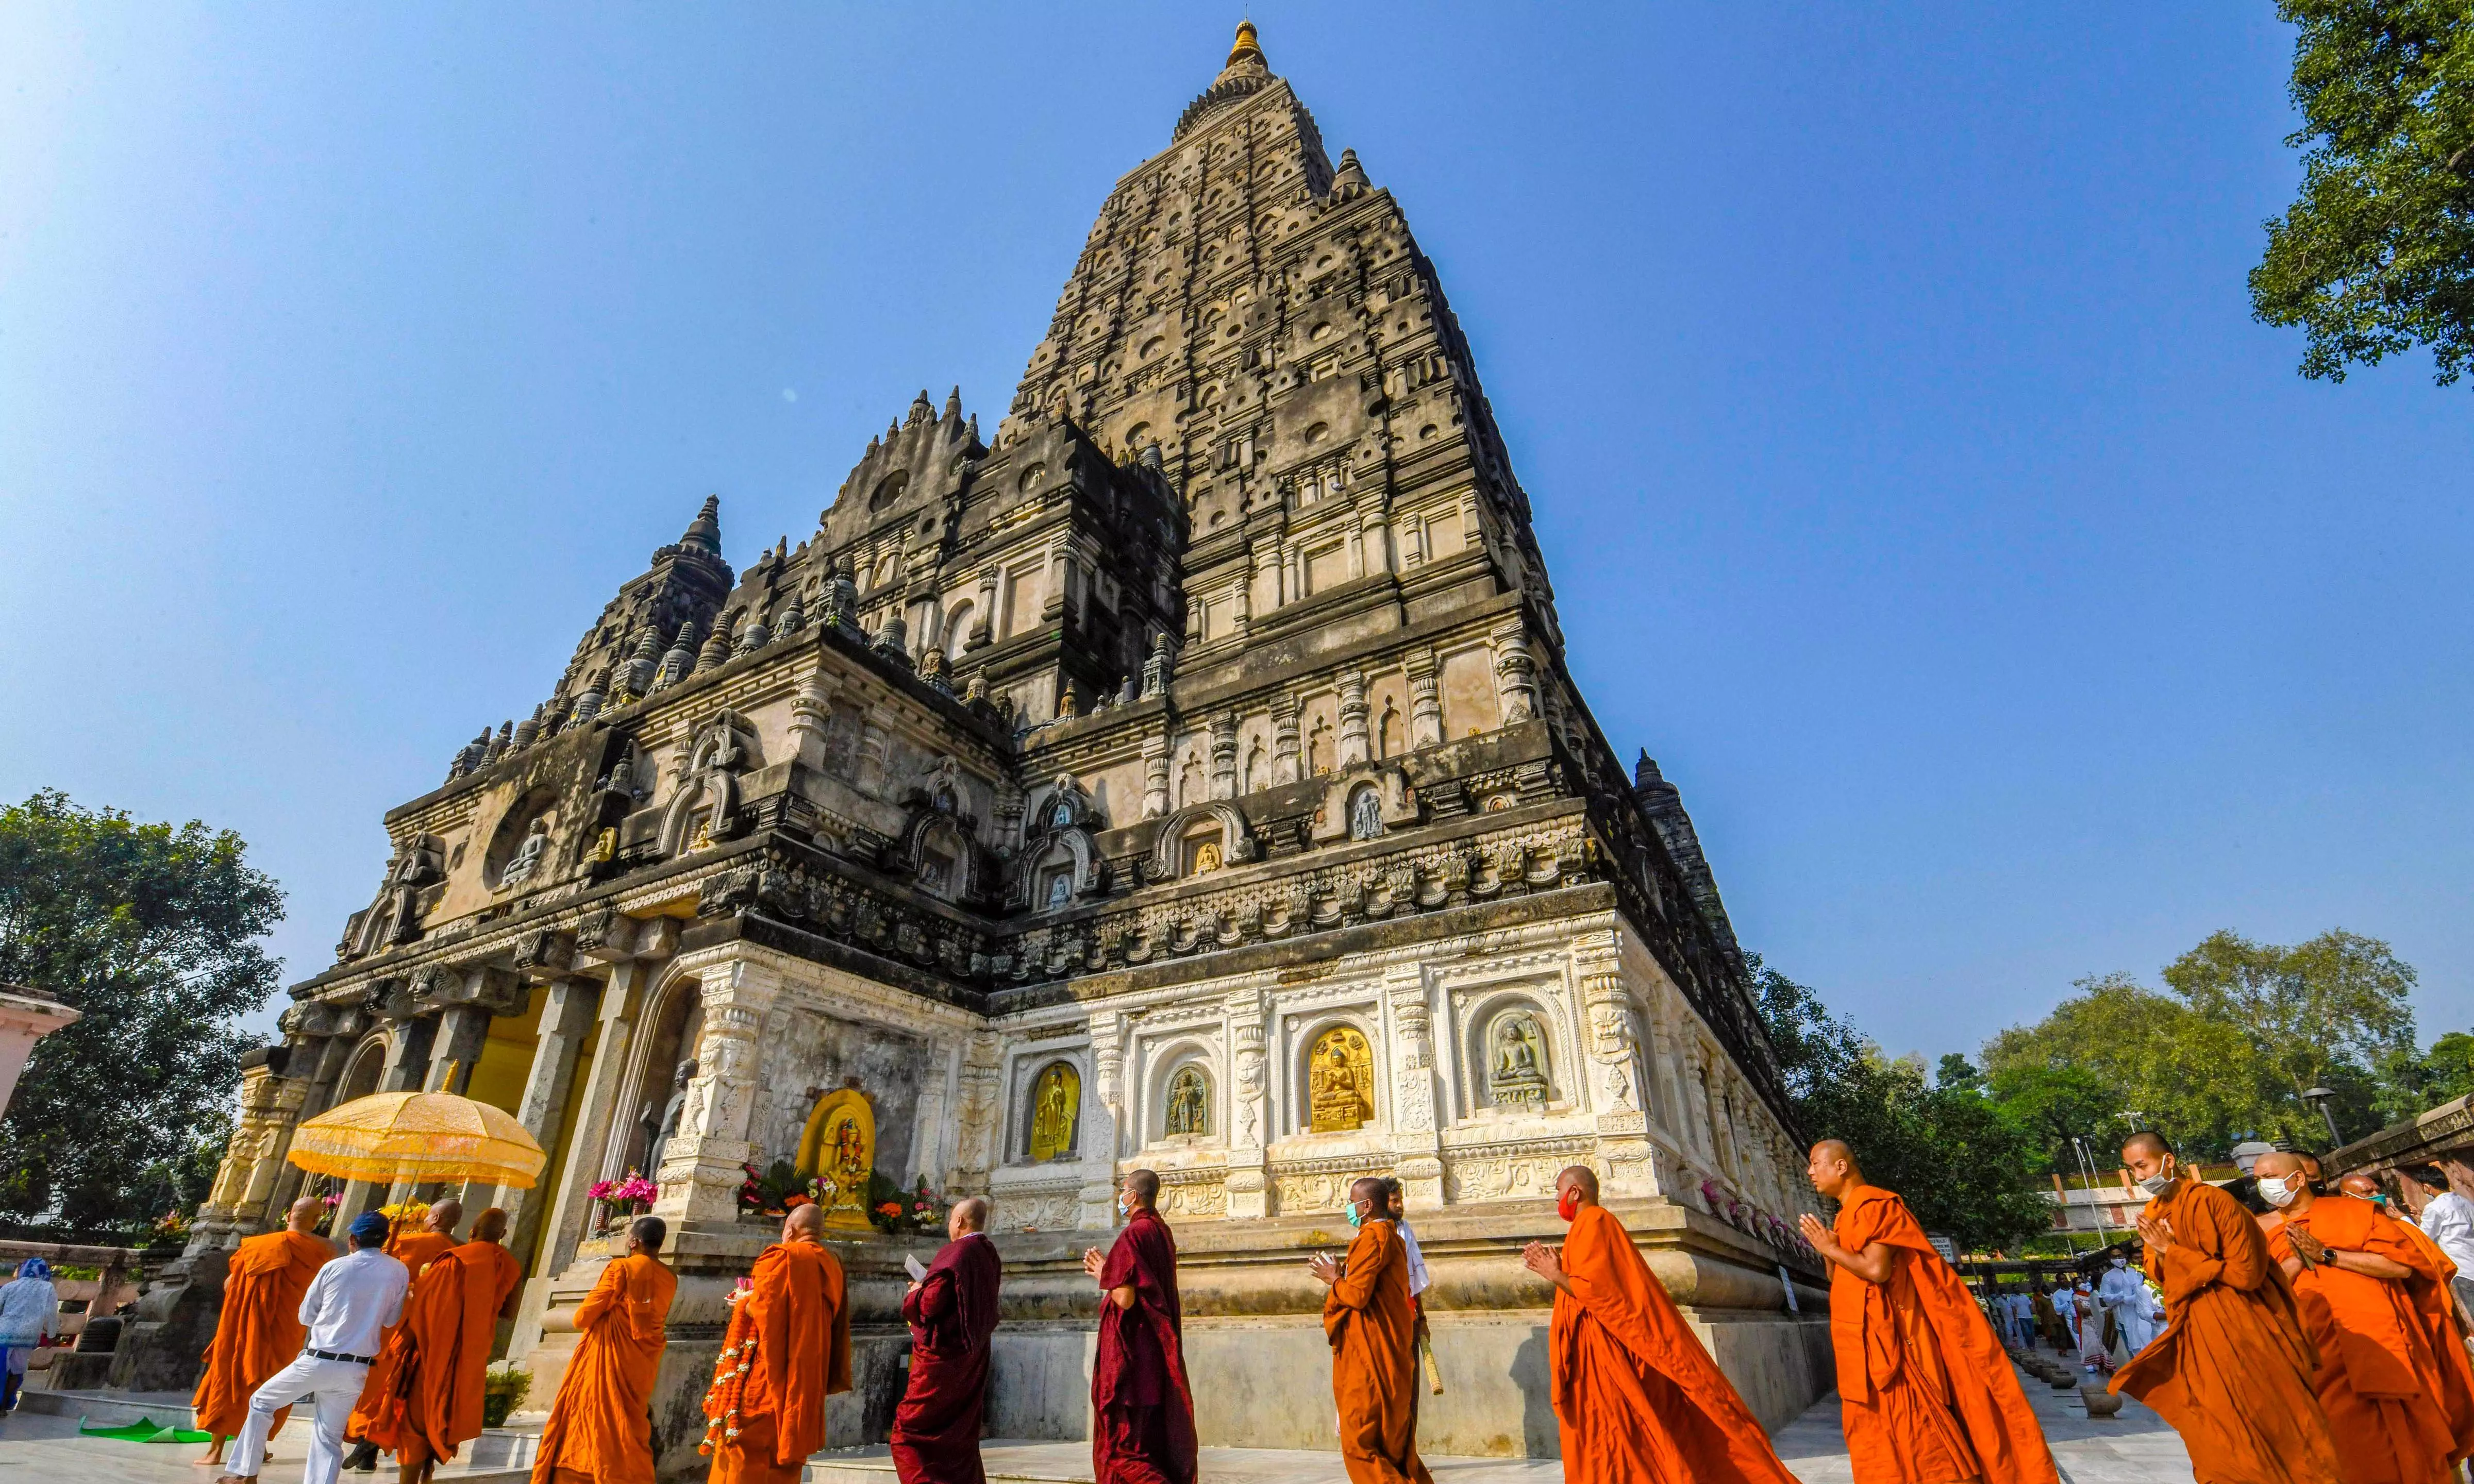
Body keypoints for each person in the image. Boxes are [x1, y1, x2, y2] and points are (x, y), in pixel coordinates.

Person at [1520, 1165, 1800, 1484]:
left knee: (1616, 1439)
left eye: (1558, 1191)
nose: (1556, 1199)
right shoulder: (1587, 1226)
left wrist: (1554, 1274)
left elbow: (1597, 1291)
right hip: (1595, 1351)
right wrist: (1558, 1270)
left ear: (1574, 1192)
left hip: (1605, 1353)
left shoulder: (1595, 1222)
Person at [1797, 1141, 2055, 1484]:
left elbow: (1876, 1271)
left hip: (1899, 1346)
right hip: (1862, 1344)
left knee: (1924, 1437)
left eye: (1816, 1163)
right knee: (1884, 1440)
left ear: (1841, 1167)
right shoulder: (1845, 1216)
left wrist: (1830, 1246)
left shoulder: (1876, 1205)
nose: (1810, 1172)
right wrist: (1829, 1252)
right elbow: (1843, 1278)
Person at [2106, 1132, 2340, 1479]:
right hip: (2200, 1336)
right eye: (2132, 1169)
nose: (2139, 1177)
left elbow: (2246, 1274)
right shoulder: (2155, 1213)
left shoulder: (2215, 1202)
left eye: (2143, 1166)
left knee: (2279, 1428)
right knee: (2217, 1433)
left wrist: (2172, 1250)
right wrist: (2158, 1251)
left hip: (2247, 1335)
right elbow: (2163, 1277)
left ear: (2168, 1161)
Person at [2254, 1151, 2474, 1484]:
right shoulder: (2259, 1230)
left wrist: (2327, 1255)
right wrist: (2298, 1262)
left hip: (2377, 1345)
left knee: (2402, 1442)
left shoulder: (2353, 1213)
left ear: (2298, 1179)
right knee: (2340, 1446)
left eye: (2269, 1177)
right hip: (2313, 1352)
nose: (2263, 1186)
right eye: (2258, 1180)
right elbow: (2260, 1290)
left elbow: (2401, 1266)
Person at [218, 1211, 412, 1484]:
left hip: (319, 1360)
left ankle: (244, 1475)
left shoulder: (335, 1267)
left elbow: (306, 1316)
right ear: (385, 1239)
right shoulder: (399, 1270)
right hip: (356, 1369)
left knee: (261, 1402)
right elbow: (392, 1320)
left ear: (353, 1239)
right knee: (329, 1436)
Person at [365, 1206, 523, 1484]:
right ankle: (426, 1474)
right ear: (504, 1235)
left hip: (432, 1352)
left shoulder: (450, 1261)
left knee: (418, 1419)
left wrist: (418, 1292)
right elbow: (509, 1313)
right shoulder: (510, 1265)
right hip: (470, 1355)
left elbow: (424, 1312)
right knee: (443, 1415)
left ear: (472, 1232)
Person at [703, 1204, 851, 1484]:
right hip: (809, 1374)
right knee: (788, 1451)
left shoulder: (783, 1256)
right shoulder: (832, 1263)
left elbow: (763, 1308)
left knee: (743, 1445)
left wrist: (744, 1301)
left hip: (770, 1372)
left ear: (790, 1230)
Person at [529, 1216, 676, 1484]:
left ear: (634, 1242)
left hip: (608, 1359)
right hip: (641, 1366)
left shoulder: (621, 1268)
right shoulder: (670, 1277)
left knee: (594, 1420)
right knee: (629, 1424)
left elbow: (581, 1319)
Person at [195, 1197, 338, 1465]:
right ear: (317, 1220)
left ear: (288, 1217)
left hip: (244, 1329)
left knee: (233, 1376)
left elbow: (229, 1286)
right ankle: (256, 1447)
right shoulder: (326, 1250)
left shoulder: (258, 1247)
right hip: (288, 1331)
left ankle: (214, 1451)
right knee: (273, 1385)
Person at [1307, 1176, 1431, 1484]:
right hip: (1384, 1349)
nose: (1350, 1208)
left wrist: (1333, 1279)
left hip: (1371, 1356)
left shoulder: (1373, 1238)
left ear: (1366, 1205)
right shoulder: (1392, 1238)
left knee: (1360, 1442)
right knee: (1392, 1447)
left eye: (1352, 1202)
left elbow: (1357, 1296)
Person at [1082, 1170, 1195, 1484]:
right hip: (1153, 1355)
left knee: (1123, 1449)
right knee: (1147, 1445)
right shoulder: (1161, 1232)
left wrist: (1105, 1271)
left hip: (1130, 1362)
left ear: (1133, 1196)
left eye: (1123, 1190)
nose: (1121, 1195)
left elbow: (1125, 1297)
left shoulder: (1133, 1236)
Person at [344, 1199, 464, 1472]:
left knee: (378, 1383)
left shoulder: (410, 1243)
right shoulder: (464, 1250)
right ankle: (372, 1446)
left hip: (396, 1325)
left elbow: (379, 1271)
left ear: (433, 1217)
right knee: (406, 1387)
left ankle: (368, 1437)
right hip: (436, 1331)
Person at [892, 1196, 1002, 1484]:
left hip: (943, 1359)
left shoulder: (957, 1252)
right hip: (973, 1356)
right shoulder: (988, 1253)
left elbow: (931, 1305)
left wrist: (917, 1291)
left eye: (951, 1219)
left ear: (960, 1222)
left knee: (909, 1435)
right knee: (958, 1437)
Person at [2405, 1165, 2474, 1319]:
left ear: (2427, 1187)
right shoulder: (2464, 1201)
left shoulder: (2434, 1208)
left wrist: (2405, 1220)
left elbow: (2423, 1238)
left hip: (2461, 1267)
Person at [0, 1256, 58, 1414]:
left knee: (1, 1370)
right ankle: (4, 1406)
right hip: (28, 1336)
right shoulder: (47, 1289)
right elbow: (52, 1314)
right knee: (16, 1372)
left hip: (3, 1335)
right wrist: (52, 1335)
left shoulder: (10, 1287)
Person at [2095, 1254, 2156, 1358]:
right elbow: (2104, 1298)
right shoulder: (2108, 1276)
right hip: (2124, 1314)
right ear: (2110, 1259)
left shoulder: (2137, 1272)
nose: (2119, 1259)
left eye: (2120, 1256)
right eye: (2114, 1257)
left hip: (2145, 1310)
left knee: (2150, 1338)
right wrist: (2122, 1297)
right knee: (2133, 1343)